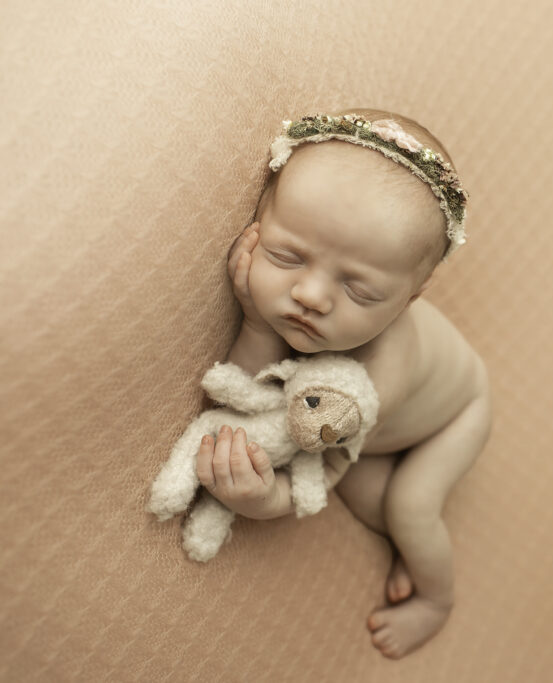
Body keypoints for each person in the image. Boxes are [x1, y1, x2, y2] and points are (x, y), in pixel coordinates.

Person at [195, 109, 492, 659]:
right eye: (286, 256)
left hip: (453, 415)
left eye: (361, 293)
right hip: (371, 436)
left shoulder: (379, 376)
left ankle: (434, 597)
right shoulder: (312, 304)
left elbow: (319, 470)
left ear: (411, 297)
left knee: (410, 507)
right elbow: (244, 391)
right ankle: (402, 539)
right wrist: (258, 325)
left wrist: (266, 500)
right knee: (369, 499)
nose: (311, 296)